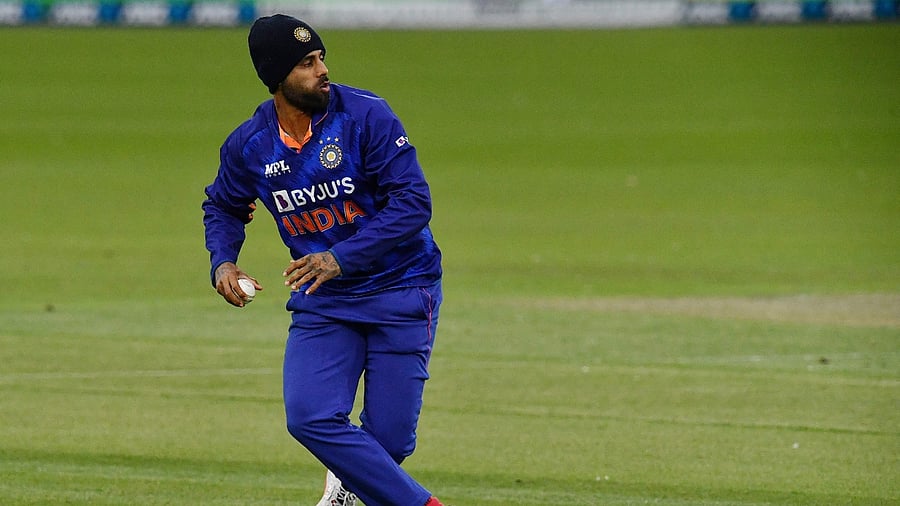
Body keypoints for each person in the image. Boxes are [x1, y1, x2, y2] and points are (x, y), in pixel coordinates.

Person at [202, 14, 445, 506]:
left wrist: (340, 257)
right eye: (307, 64)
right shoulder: (250, 145)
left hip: (402, 288)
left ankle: (348, 490)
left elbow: (413, 202)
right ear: (277, 78)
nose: (322, 70)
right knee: (309, 417)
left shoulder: (365, 117)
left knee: (390, 443)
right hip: (326, 300)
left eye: (320, 57)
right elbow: (224, 205)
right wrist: (224, 262)